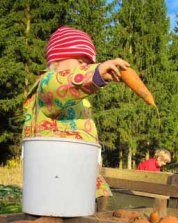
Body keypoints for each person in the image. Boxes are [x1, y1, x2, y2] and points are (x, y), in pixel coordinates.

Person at [22, 25, 130, 198]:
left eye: (88, 63)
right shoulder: (47, 84)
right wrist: (95, 73)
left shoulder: (80, 100)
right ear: (56, 62)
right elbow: (61, 85)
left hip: (80, 176)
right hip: (53, 179)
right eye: (80, 61)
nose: (85, 66)